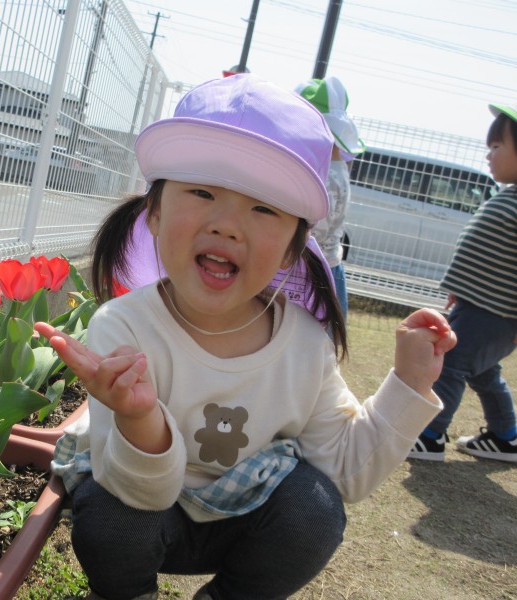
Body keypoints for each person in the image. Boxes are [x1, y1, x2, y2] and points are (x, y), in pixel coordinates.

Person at [34, 74, 456, 600]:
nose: (228, 225)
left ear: (292, 249)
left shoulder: (306, 345)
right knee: (108, 514)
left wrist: (409, 383)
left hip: (244, 523)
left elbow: (345, 470)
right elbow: (136, 491)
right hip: (145, 508)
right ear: (155, 214)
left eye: (263, 208)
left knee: (316, 509)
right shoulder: (124, 327)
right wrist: (139, 418)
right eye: (203, 191)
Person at [409, 103, 517, 463]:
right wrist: (462, 286)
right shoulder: (509, 194)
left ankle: (430, 435)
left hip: (496, 313)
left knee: (451, 363)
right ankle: (505, 437)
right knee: (484, 372)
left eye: (497, 147)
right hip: (479, 305)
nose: (489, 155)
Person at [295, 76, 366, 319]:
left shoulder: (322, 172)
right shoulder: (338, 165)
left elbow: (312, 232)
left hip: (308, 273)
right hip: (330, 267)